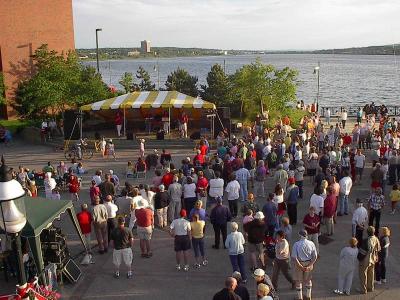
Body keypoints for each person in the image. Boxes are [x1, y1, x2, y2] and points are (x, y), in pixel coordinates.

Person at [291, 230, 318, 300]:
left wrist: (300, 265)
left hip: (299, 263)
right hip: (309, 262)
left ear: (300, 235)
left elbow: (294, 257)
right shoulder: (311, 243)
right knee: (308, 280)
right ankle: (308, 296)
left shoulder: (296, 244)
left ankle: (300, 298)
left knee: (298, 281)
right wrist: (310, 265)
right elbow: (315, 256)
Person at [358, 226, 381, 294]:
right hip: (373, 259)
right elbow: (379, 249)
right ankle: (370, 287)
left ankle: (363, 289)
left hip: (366, 259)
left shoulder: (366, 240)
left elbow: (362, 253)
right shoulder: (376, 239)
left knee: (363, 274)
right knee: (371, 273)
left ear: (367, 232)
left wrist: (359, 258)